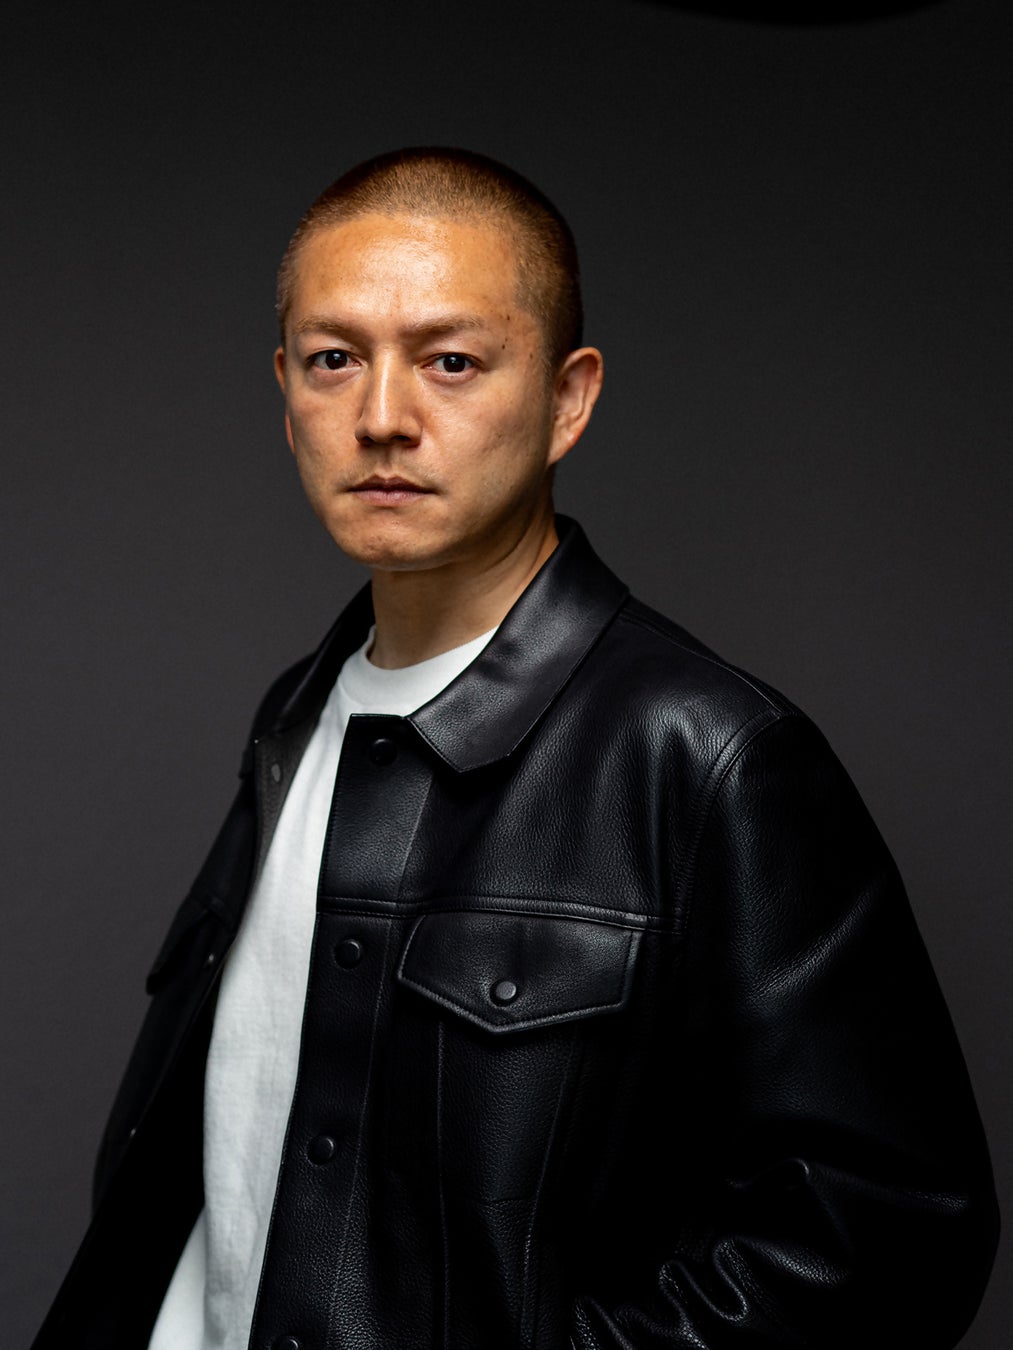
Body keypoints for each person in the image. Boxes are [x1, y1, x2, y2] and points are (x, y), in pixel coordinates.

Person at [33, 147, 998, 1350]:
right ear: (284, 392)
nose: (381, 418)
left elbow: (887, 1238)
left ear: (567, 399)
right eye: (333, 360)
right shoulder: (296, 716)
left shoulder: (707, 756)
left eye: (450, 361)